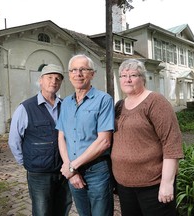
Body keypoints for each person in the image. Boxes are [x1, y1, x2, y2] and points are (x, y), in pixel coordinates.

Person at [111, 59, 184, 216]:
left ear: (142, 78)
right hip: (125, 185)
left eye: (133, 75)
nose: (127, 79)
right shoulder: (119, 105)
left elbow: (171, 142)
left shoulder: (155, 101)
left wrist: (167, 183)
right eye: (123, 75)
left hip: (153, 185)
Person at [8, 64, 72, 216]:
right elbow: (14, 140)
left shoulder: (67, 106)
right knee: (42, 212)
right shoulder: (25, 108)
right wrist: (27, 162)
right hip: (39, 173)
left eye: (57, 78)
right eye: (49, 77)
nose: (53, 81)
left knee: (63, 209)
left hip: (64, 171)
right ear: (40, 81)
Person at [56, 54, 115, 216]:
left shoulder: (104, 99)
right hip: (73, 171)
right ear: (69, 75)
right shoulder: (66, 103)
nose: (78, 74)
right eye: (74, 70)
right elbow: (61, 136)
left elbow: (104, 142)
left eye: (83, 69)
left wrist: (72, 167)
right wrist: (70, 168)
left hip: (97, 171)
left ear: (92, 74)